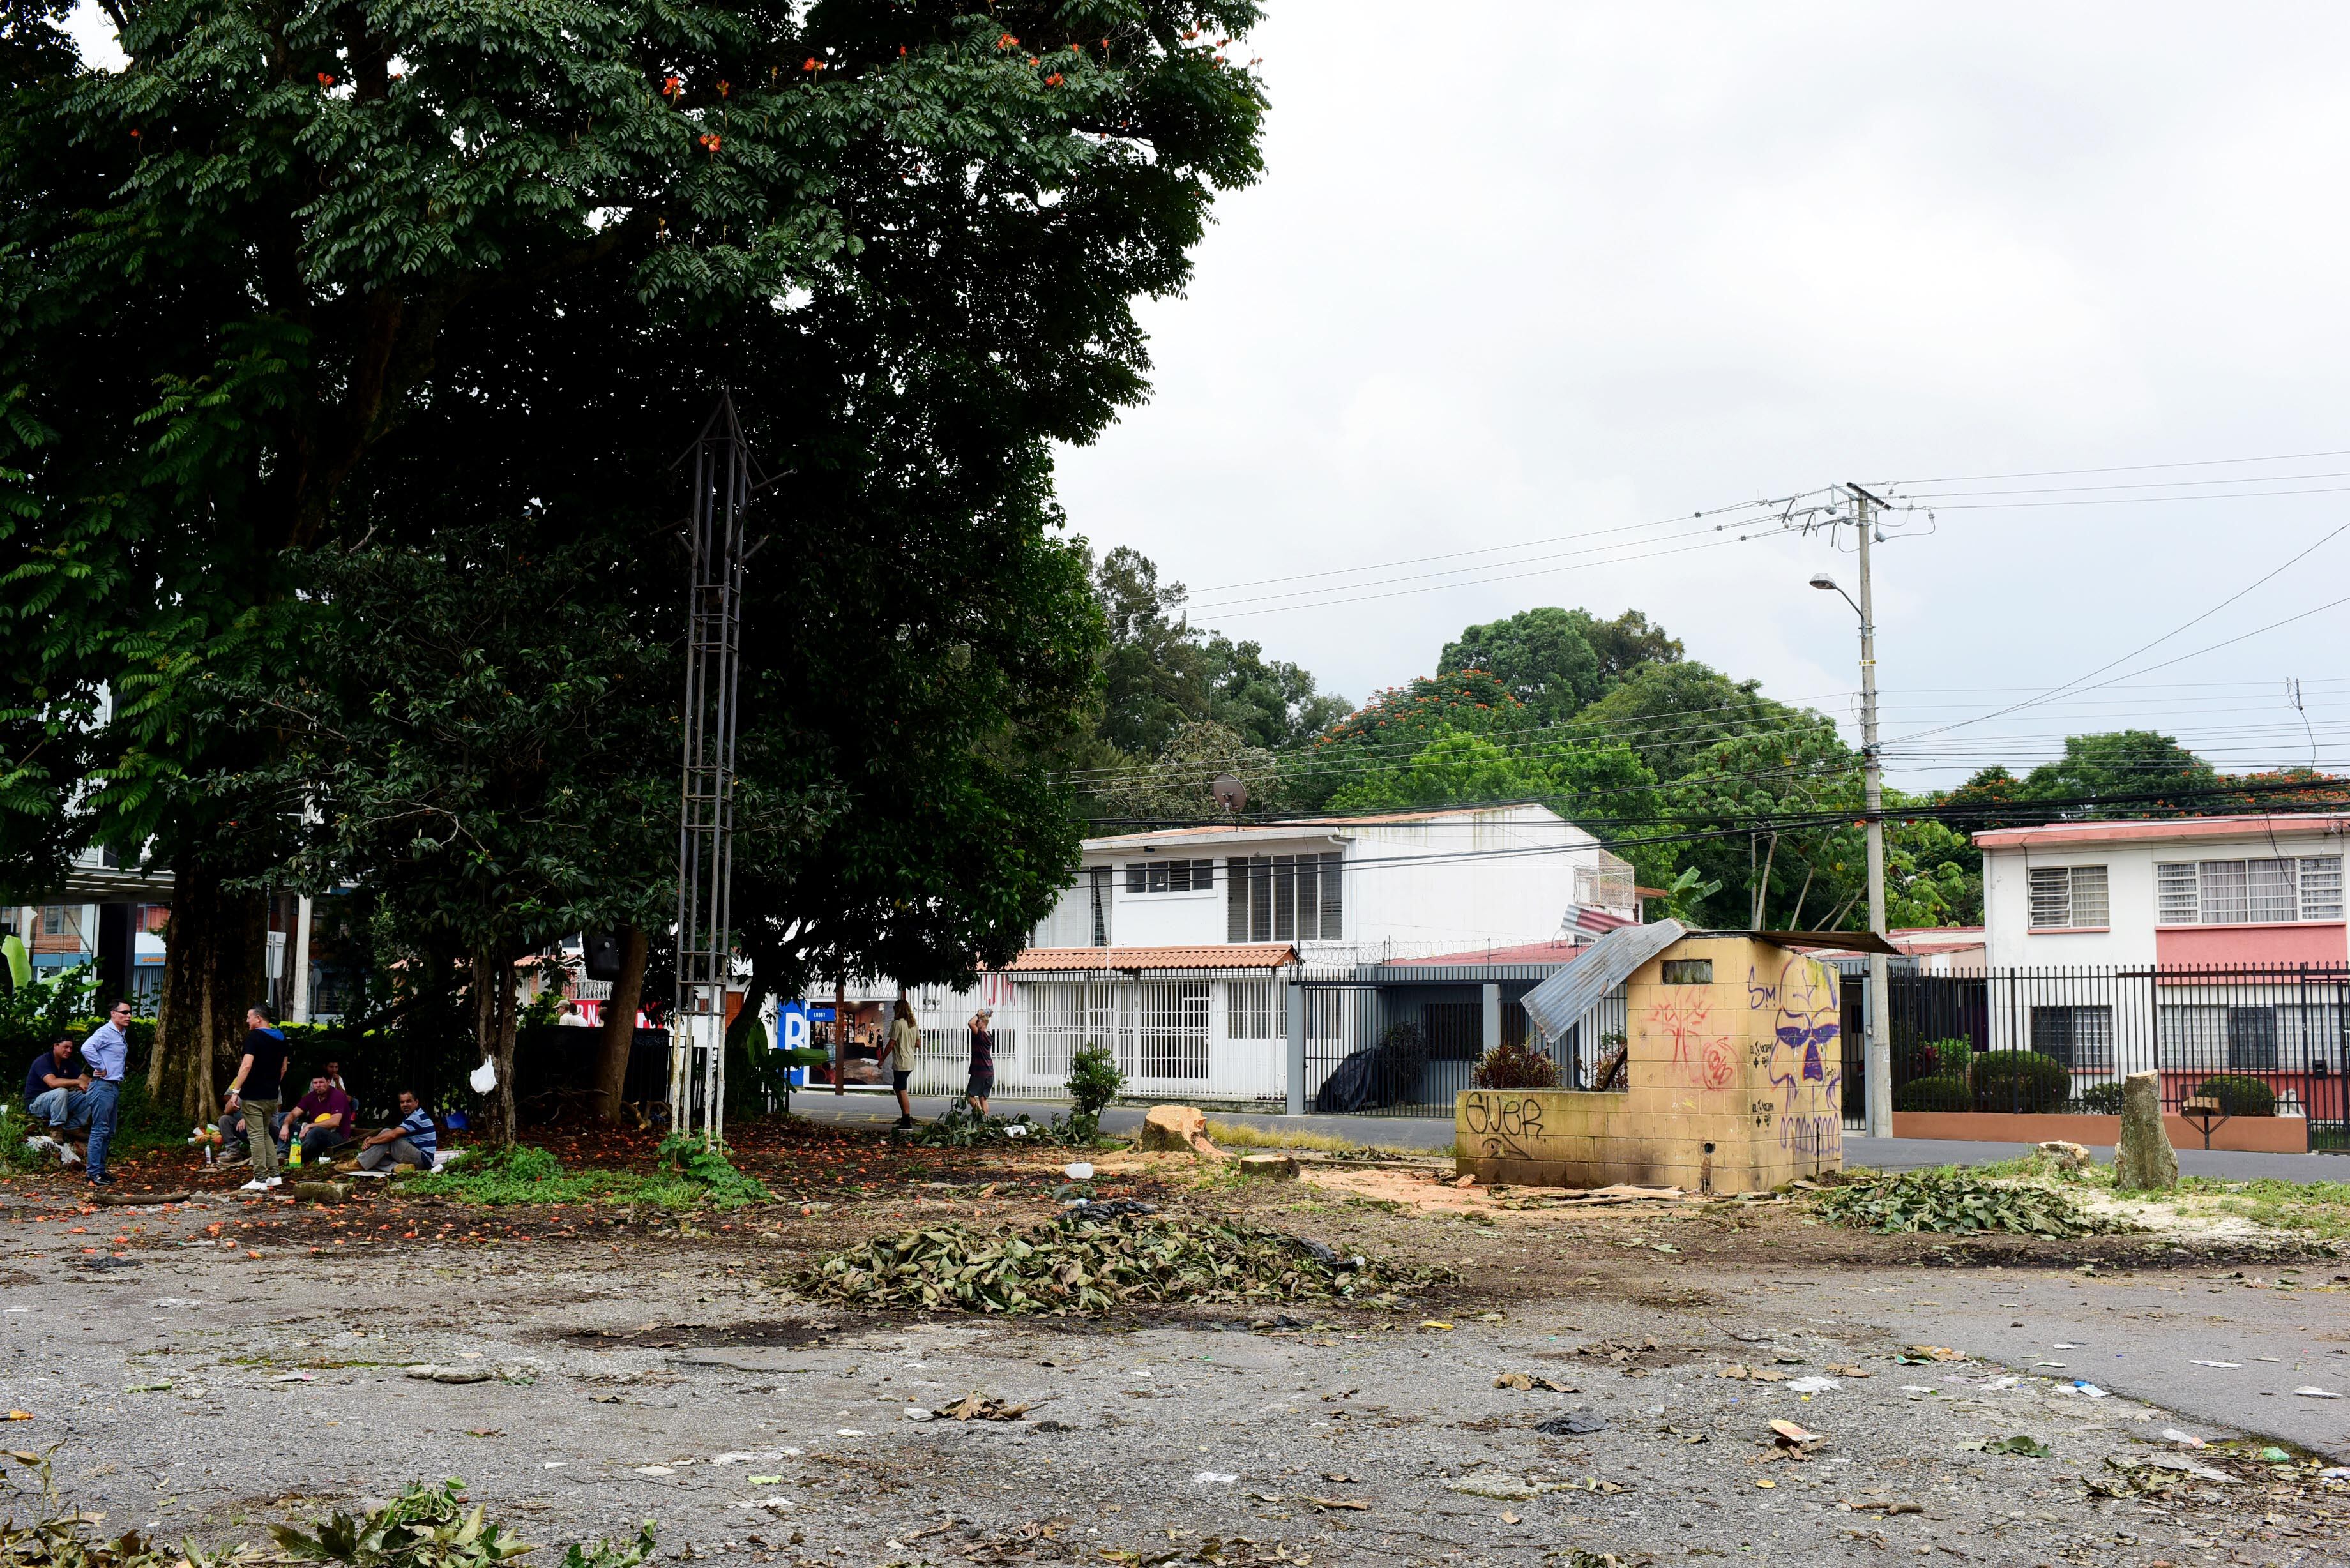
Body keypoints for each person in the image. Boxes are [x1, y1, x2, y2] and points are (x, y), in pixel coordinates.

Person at [222, 1007, 290, 1178]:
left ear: (258, 1019)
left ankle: (260, 1178)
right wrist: (272, 1085)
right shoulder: (281, 1037)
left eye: (249, 1017)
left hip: (253, 1095)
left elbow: (246, 1065)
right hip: (271, 1096)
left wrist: (236, 1091)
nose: (247, 1021)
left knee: (256, 1136)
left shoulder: (254, 1036)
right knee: (265, 1134)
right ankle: (275, 1176)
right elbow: (284, 1068)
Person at [79, 999, 133, 1187]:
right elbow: (86, 1048)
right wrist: (100, 1066)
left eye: (129, 1013)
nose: (129, 1016)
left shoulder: (120, 1034)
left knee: (108, 1131)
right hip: (103, 1086)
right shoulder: (105, 1032)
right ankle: (93, 1173)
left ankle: (100, 1171)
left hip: (113, 1086)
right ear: (113, 1013)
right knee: (100, 1130)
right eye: (124, 1012)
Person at [23, 1034, 91, 1158]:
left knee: (90, 1094)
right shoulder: (43, 1061)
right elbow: (52, 1083)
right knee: (61, 1091)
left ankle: (73, 1126)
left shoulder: (67, 1063)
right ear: (56, 1046)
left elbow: (84, 1078)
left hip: (56, 1100)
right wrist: (77, 1082)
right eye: (66, 1047)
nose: (69, 1050)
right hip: (36, 1104)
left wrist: (98, 1082)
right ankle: (56, 1129)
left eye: (71, 1048)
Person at [276, 1073, 356, 1165]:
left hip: (337, 1136)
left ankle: (297, 1156)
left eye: (321, 1082)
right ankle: (282, 1155)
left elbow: (334, 1122)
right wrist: (285, 1126)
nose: (318, 1085)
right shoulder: (311, 1096)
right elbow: (293, 1113)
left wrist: (310, 1126)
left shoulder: (337, 1096)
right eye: (315, 1083)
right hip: (313, 1133)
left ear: (329, 1082)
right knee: (287, 1124)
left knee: (316, 1131)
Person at [356, 1089, 437, 1172]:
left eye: (408, 1101)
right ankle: (396, 1167)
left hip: (422, 1159)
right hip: (416, 1157)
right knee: (375, 1157)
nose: (405, 1105)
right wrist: (373, 1140)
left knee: (388, 1135)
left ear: (416, 1102)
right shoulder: (411, 1116)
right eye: (402, 1102)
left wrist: (371, 1141)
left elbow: (393, 1135)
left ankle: (360, 1163)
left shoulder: (417, 1117)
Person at [874, 997, 920, 1129]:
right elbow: (918, 1044)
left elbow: (891, 1044)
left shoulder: (897, 1024)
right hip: (909, 1062)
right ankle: (905, 1118)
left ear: (898, 1010)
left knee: (902, 1090)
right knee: (897, 1087)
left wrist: (882, 1059)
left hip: (901, 1062)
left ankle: (906, 1121)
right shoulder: (914, 1025)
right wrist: (908, 1041)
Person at [964, 1007, 995, 1117]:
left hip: (980, 1072)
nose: (976, 1023)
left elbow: (970, 1023)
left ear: (983, 1023)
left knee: (969, 1095)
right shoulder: (989, 1036)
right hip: (989, 1072)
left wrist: (978, 1014)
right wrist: (984, 1014)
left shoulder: (981, 1035)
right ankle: (985, 1119)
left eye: (978, 1022)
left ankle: (981, 1116)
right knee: (982, 1097)